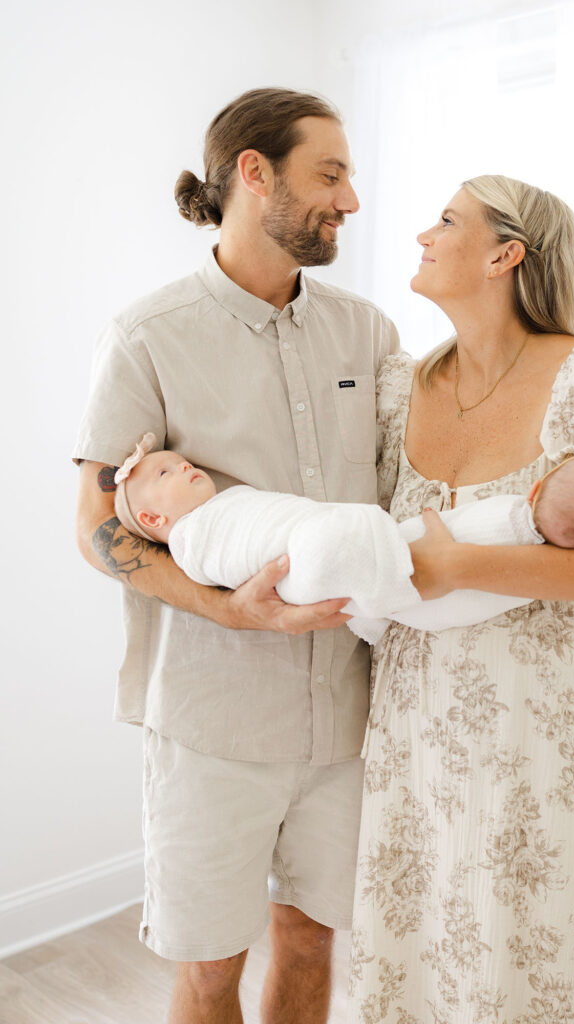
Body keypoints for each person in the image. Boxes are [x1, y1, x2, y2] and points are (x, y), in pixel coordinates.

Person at [74, 88, 399, 1024]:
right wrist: (232, 608)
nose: (351, 199)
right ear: (254, 174)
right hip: (213, 723)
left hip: (345, 715)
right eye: (329, 174)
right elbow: (95, 529)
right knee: (211, 967)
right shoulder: (147, 339)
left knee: (309, 938)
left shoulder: (367, 333)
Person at [349, 176, 574, 1023]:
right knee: (425, 954)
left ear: (505, 254)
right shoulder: (397, 390)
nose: (423, 233)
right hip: (416, 729)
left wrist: (463, 568)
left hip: (547, 727)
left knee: (539, 958)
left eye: (447, 220)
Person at [112, 433, 574, 642]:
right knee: (412, 553)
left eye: (180, 462)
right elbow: (240, 557)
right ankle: (522, 523)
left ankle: (527, 551)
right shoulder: (191, 542)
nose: (185, 467)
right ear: (155, 522)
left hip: (328, 567)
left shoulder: (225, 505)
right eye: (166, 475)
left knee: (426, 599)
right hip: (309, 558)